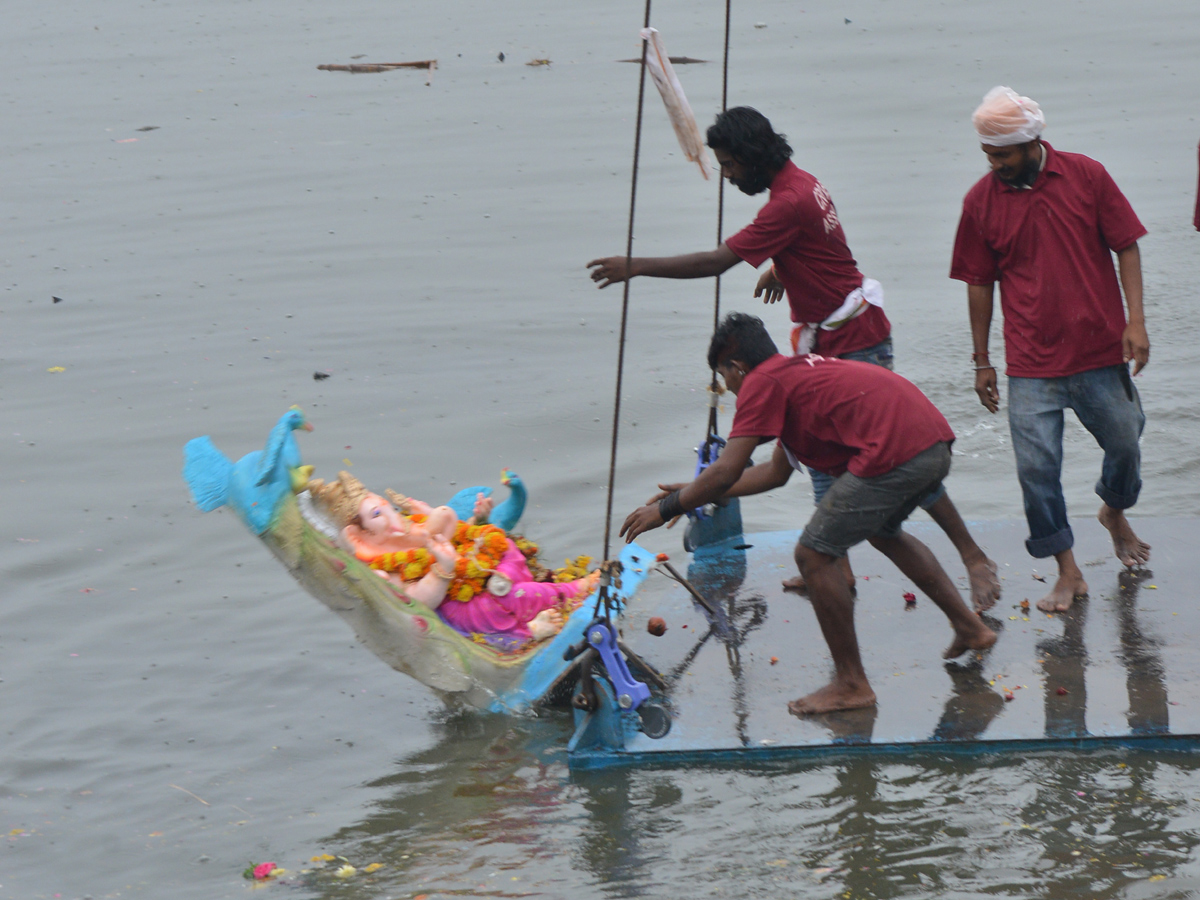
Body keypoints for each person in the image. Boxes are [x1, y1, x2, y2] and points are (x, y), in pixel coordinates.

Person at [589, 106, 1000, 611]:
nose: (727, 175)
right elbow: (822, 243)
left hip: (855, 335)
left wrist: (637, 267)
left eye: (730, 165)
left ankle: (971, 555)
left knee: (894, 455)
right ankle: (832, 564)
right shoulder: (801, 184)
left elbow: (717, 262)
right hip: (832, 330)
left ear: (751, 157)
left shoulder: (786, 203)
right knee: (825, 457)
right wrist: (785, 265)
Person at [621, 313, 998, 715]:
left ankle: (852, 684)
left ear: (738, 367)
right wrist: (694, 492)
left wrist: (666, 508)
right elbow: (774, 473)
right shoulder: (791, 376)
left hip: (898, 450)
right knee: (885, 533)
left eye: (723, 377)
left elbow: (726, 470)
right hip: (929, 442)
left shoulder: (762, 384)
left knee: (813, 555)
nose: (728, 389)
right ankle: (970, 628)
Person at [950, 86, 1151, 613]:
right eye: (988, 155)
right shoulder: (980, 201)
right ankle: (1067, 569)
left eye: (1004, 154)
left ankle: (1113, 511)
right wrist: (982, 360)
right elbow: (977, 281)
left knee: (1127, 442)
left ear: (1033, 141)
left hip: (1099, 348)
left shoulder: (1086, 175)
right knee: (1036, 469)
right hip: (1031, 362)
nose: (995, 164)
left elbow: (1125, 244)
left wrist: (1136, 322)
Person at [310, 472, 598, 642]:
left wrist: (478, 520)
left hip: (473, 577)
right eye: (376, 515)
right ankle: (549, 611)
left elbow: (453, 529)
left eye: (385, 507)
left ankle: (542, 598)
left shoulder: (411, 530)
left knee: (506, 550)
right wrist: (442, 570)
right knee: (510, 594)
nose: (391, 516)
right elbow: (418, 601)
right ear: (360, 537)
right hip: (459, 605)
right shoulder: (385, 568)